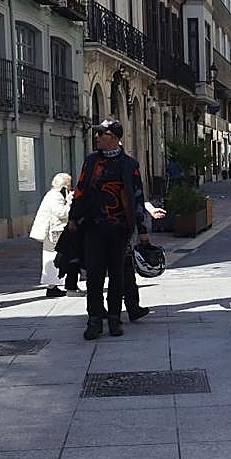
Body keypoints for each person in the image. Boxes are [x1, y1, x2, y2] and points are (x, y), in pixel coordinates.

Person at [70, 118, 150, 340]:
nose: (96, 137)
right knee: (94, 275)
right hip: (94, 227)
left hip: (120, 229)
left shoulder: (129, 164)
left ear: (114, 138)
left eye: (101, 134)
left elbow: (137, 197)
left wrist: (142, 229)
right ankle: (94, 319)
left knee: (117, 275)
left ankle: (115, 318)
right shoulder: (91, 161)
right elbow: (80, 190)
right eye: (96, 134)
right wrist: (73, 217)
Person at [31, 173, 74, 298]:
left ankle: (53, 286)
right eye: (69, 185)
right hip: (54, 232)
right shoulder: (56, 196)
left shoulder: (52, 194)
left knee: (52, 258)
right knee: (55, 258)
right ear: (64, 185)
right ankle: (53, 286)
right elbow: (61, 212)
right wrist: (70, 203)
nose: (70, 188)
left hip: (53, 231)